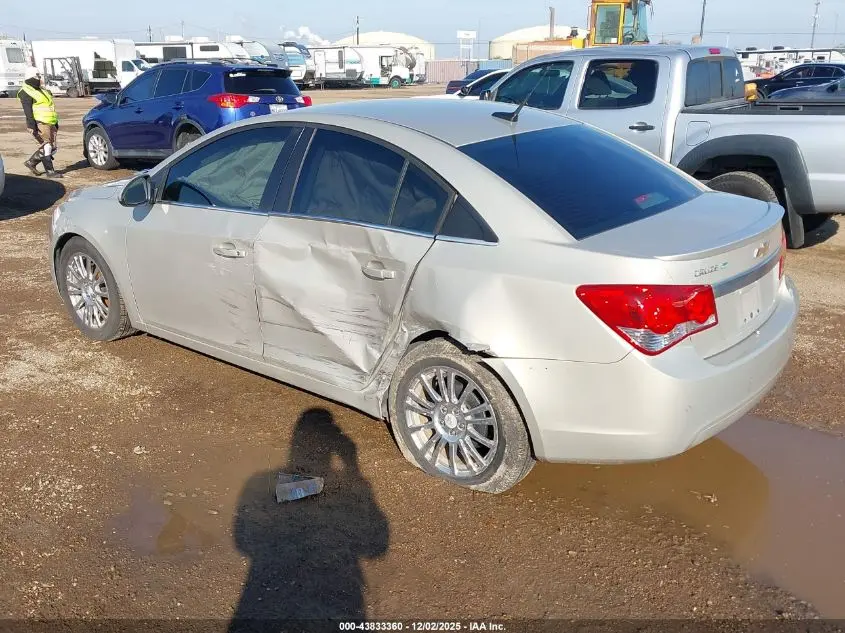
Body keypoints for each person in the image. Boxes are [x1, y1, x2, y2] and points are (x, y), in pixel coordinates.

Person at [18, 66, 62, 179]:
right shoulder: (25, 92)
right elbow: (28, 111)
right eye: (36, 76)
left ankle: (31, 163)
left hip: (50, 122)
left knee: (52, 148)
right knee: (47, 146)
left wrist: (55, 122)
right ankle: (50, 172)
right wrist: (31, 125)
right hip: (39, 123)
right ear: (30, 77)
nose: (39, 78)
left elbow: (49, 106)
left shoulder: (42, 90)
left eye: (39, 75)